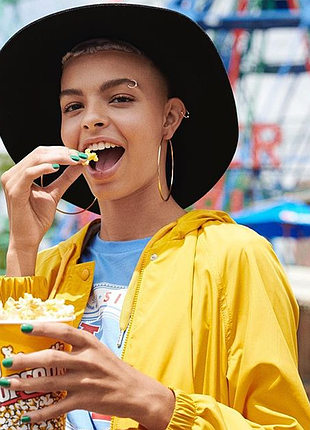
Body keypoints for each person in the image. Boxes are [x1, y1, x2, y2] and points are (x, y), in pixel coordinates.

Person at [0, 3, 309, 430]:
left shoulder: (235, 258)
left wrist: (160, 406)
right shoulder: (50, 267)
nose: (91, 119)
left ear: (169, 118)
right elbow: (18, 416)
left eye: (120, 98)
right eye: (73, 107)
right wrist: (21, 248)